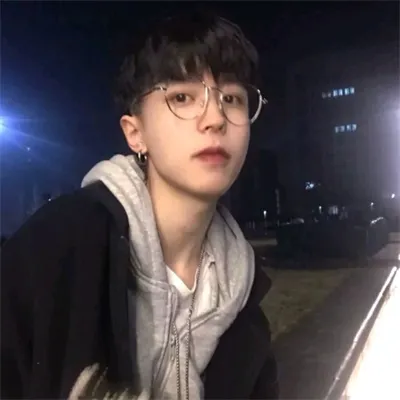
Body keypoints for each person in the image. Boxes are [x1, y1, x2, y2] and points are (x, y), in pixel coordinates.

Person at [1, 11, 278, 400]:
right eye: (182, 97)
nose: (215, 118)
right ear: (135, 133)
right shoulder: (56, 248)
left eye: (231, 98)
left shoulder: (244, 303)